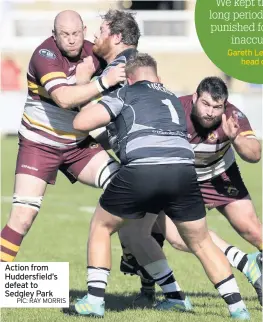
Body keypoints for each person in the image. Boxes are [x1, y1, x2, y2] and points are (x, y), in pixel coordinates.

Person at [73, 54, 250, 320]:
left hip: (144, 170)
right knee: (196, 241)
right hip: (183, 173)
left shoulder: (126, 92)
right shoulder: (173, 99)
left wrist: (88, 87)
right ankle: (237, 309)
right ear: (157, 77)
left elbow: (81, 123)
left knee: (102, 226)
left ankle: (95, 301)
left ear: (130, 78)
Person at [119, 77, 262, 306]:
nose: (210, 112)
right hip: (181, 178)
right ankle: (147, 292)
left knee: (253, 231)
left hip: (218, 174)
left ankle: (253, 270)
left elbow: (255, 154)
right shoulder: (175, 111)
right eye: (205, 104)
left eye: (217, 107)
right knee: (157, 230)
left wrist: (235, 139)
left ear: (225, 105)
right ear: (195, 98)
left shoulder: (232, 117)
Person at [0, 10, 126, 262]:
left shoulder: (94, 52)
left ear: (83, 30)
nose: (71, 39)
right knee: (23, 218)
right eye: (65, 34)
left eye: (76, 33)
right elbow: (64, 99)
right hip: (39, 144)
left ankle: (133, 255)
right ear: (54, 36)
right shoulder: (44, 55)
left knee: (127, 189)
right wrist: (102, 83)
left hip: (78, 145)